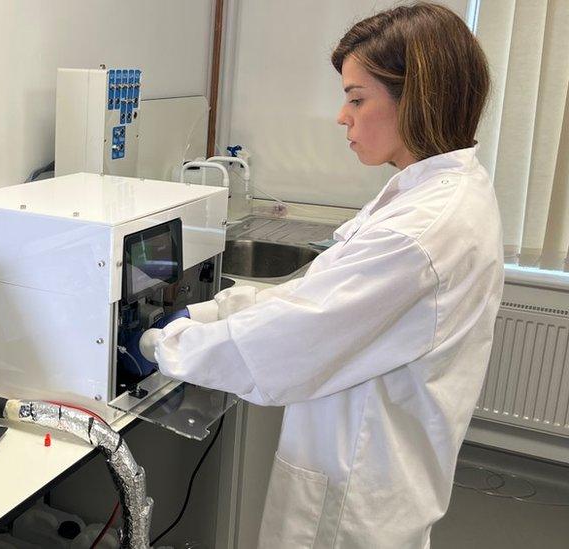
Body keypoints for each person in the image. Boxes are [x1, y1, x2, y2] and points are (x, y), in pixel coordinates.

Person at [139, 3, 502, 547]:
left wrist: (162, 342)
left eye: (357, 98)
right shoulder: (429, 192)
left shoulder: (421, 233)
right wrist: (215, 311)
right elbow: (314, 296)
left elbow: (287, 343)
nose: (342, 116)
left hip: (354, 497)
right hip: (372, 465)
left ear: (420, 98)